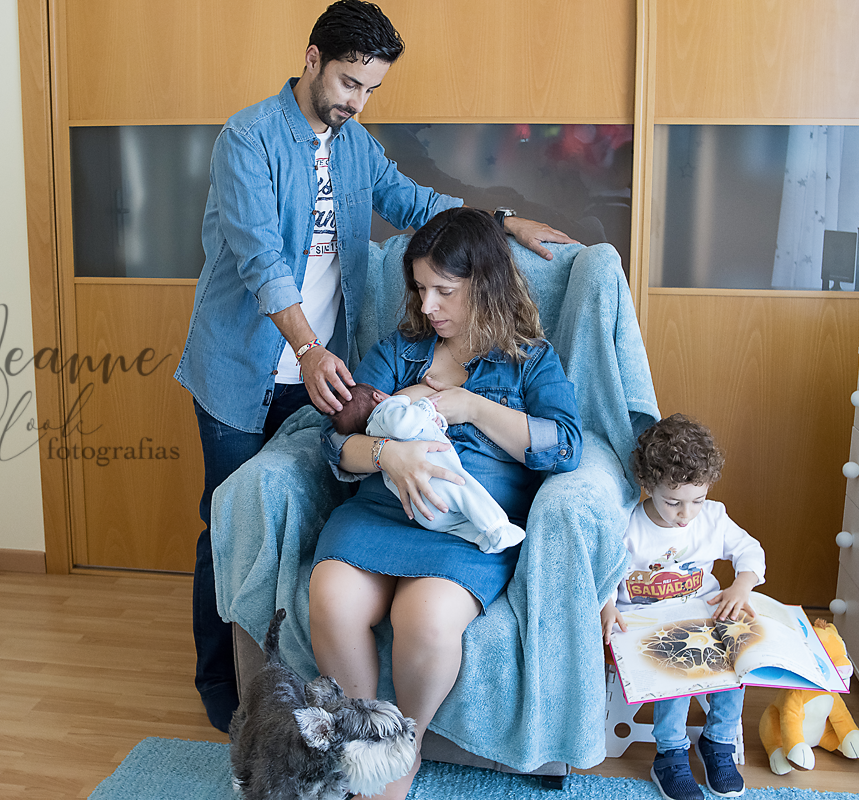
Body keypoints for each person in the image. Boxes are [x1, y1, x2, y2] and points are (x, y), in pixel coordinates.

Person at [173, 0, 576, 732]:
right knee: (230, 519)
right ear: (311, 59)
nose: (357, 102)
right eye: (349, 83)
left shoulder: (353, 144)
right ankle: (224, 686)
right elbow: (262, 259)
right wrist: (305, 346)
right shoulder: (249, 139)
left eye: (370, 90)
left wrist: (499, 220)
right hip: (249, 367)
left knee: (318, 499)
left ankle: (315, 694)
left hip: (328, 367)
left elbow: (415, 201)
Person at [308, 207, 583, 799]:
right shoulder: (398, 351)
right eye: (419, 288)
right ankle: (366, 749)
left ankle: (404, 751)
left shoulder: (529, 361)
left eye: (443, 290)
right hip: (379, 513)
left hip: (467, 529)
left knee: (426, 620)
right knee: (331, 597)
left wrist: (473, 407)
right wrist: (387, 455)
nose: (427, 305)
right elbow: (336, 442)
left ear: (484, 284)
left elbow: (565, 446)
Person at [600, 414, 767, 800]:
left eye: (697, 500)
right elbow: (605, 569)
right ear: (648, 485)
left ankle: (718, 743)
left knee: (737, 656)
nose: (685, 513)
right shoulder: (629, 526)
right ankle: (671, 755)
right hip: (644, 624)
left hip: (700, 615)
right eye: (673, 501)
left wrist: (742, 584)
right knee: (677, 666)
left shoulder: (713, 518)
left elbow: (749, 550)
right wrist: (607, 605)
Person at [329, 382, 525, 553]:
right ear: (378, 396)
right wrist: (425, 406)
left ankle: (482, 539)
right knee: (470, 495)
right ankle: (498, 529)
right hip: (438, 480)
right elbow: (402, 426)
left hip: (421, 506)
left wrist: (437, 424)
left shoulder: (372, 434)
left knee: (454, 524)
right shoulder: (387, 410)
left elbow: (419, 431)